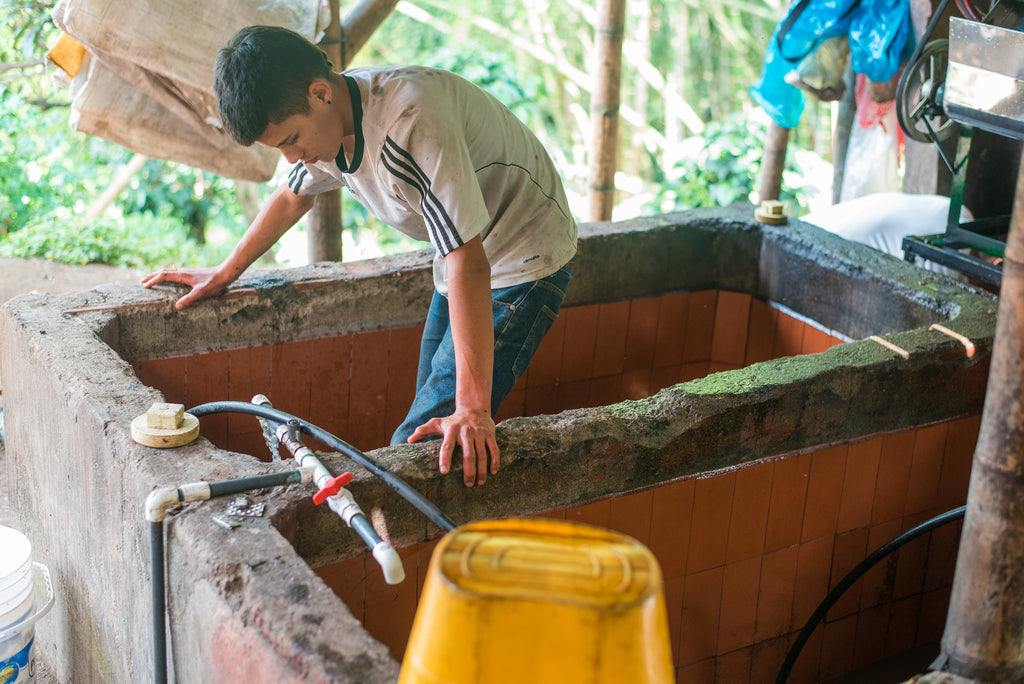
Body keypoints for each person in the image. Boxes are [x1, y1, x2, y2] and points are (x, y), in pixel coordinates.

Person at [141, 26, 577, 488]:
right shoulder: (331, 120)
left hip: (521, 255)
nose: (294, 157)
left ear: (319, 92)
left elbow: (468, 259)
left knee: (422, 447)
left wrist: (472, 409)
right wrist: (225, 272)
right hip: (463, 254)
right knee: (427, 427)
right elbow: (293, 197)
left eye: (292, 139)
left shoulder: (410, 122)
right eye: (281, 148)